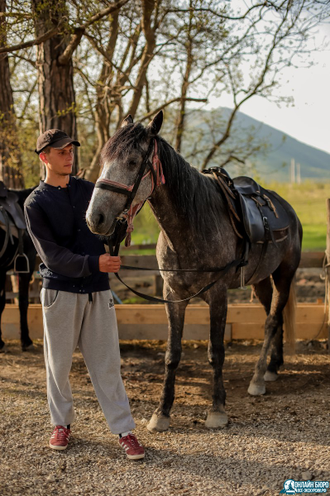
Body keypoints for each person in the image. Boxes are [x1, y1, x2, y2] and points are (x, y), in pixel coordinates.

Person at [24, 129, 145, 460]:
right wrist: (96, 262)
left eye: (70, 150)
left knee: (107, 365)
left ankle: (124, 430)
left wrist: (120, 230)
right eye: (61, 151)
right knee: (58, 365)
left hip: (97, 292)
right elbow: (53, 257)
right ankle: (60, 424)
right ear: (44, 157)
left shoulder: (90, 190)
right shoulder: (35, 203)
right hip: (60, 293)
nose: (69, 155)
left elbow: (105, 228)